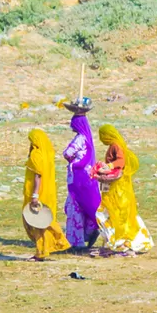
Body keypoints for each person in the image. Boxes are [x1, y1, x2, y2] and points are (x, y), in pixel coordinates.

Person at [94, 124, 153, 254]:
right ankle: (115, 240)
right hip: (116, 185)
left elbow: (120, 161)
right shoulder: (114, 145)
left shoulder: (116, 145)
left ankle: (123, 240)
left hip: (118, 186)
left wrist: (108, 166)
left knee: (116, 210)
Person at [23, 129, 71, 261]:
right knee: (44, 220)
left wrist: (35, 195)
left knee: (38, 223)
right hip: (48, 192)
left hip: (39, 193)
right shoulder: (47, 153)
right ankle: (46, 248)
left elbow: (38, 176)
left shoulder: (36, 155)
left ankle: (52, 245)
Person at [62, 106, 102, 250]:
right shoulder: (88, 138)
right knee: (86, 205)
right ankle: (90, 231)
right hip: (87, 178)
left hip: (78, 178)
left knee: (74, 208)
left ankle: (75, 241)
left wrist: (72, 159)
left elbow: (67, 153)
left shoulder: (79, 138)